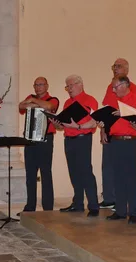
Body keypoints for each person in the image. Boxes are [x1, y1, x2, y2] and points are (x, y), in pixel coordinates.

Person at [103, 76, 136, 224]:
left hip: (129, 142)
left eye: (115, 87)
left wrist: (125, 113)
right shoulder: (114, 101)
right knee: (117, 177)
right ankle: (120, 211)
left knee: (130, 178)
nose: (113, 90)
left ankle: (134, 212)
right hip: (115, 141)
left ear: (125, 85)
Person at [56, 75, 99, 217]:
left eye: (70, 85)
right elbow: (65, 124)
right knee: (73, 172)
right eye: (67, 86)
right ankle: (78, 203)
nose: (68, 89)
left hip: (82, 139)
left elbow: (94, 122)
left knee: (86, 172)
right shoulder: (68, 102)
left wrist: (79, 126)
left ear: (80, 84)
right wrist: (58, 124)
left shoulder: (90, 100)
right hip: (69, 139)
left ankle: (93, 206)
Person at [100, 58, 136, 210]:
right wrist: (103, 130)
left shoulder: (134, 90)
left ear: (126, 71)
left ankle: (126, 204)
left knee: (127, 173)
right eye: (114, 66)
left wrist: (123, 113)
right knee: (109, 167)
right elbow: (106, 111)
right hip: (111, 132)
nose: (115, 68)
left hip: (126, 137)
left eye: (119, 66)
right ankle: (110, 198)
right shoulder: (110, 87)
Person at [18, 77, 59, 215]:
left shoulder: (53, 99)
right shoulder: (30, 97)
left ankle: (48, 208)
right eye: (36, 85)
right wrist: (35, 103)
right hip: (30, 139)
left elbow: (48, 106)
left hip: (45, 139)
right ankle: (30, 206)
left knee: (45, 173)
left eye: (41, 85)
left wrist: (34, 101)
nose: (38, 87)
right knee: (30, 174)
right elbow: (21, 107)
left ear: (47, 86)